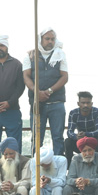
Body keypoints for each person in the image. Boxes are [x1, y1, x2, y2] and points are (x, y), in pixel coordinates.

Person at [22, 27, 70, 155]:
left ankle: (58, 165)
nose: (50, 42)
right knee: (37, 138)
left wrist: (49, 91)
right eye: (47, 39)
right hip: (37, 103)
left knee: (58, 137)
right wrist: (36, 92)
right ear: (40, 39)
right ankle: (36, 165)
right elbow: (26, 76)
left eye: (53, 39)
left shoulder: (60, 54)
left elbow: (64, 77)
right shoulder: (30, 55)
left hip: (56, 103)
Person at [64, 91, 98, 160]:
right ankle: (69, 165)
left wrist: (85, 134)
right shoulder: (73, 113)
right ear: (78, 103)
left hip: (93, 141)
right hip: (80, 141)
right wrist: (76, 136)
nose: (85, 105)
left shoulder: (97, 111)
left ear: (91, 103)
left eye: (88, 103)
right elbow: (69, 131)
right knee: (68, 142)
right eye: (83, 103)